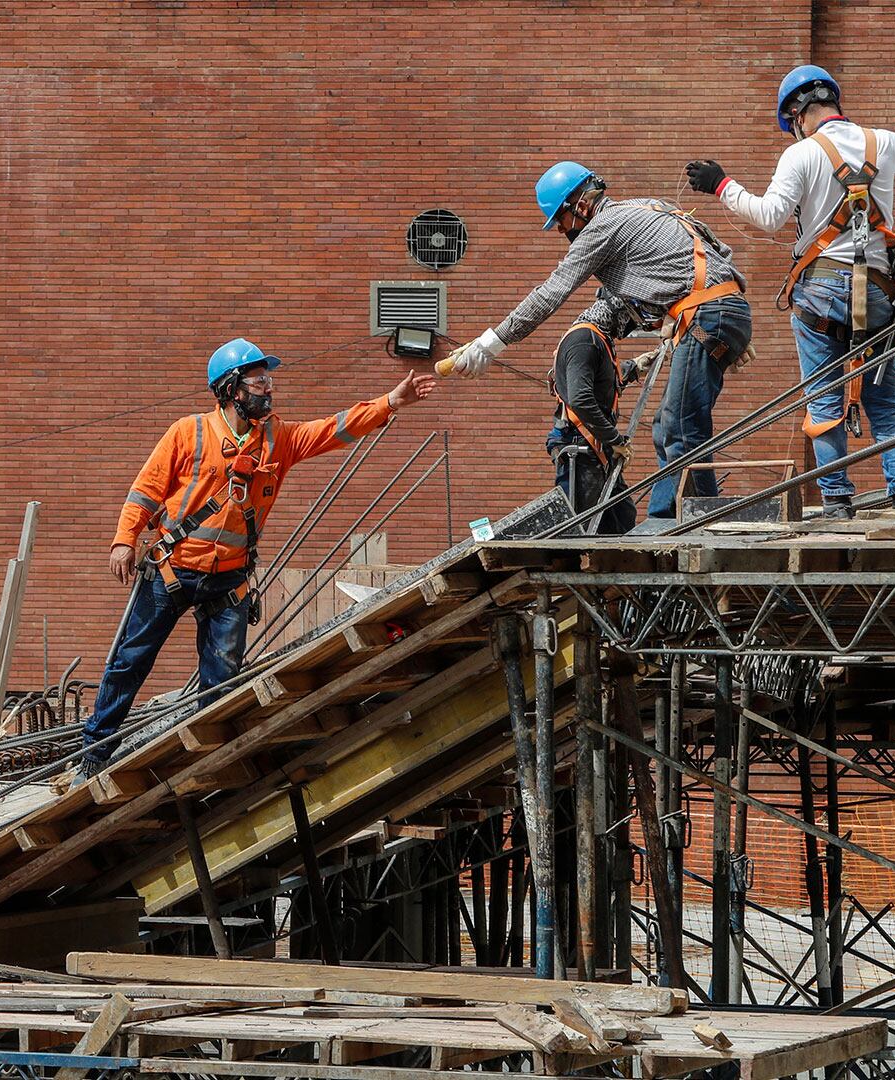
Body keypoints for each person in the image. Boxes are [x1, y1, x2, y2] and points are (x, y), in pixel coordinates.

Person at [80, 338, 436, 775]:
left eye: (268, 380)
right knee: (131, 660)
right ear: (231, 388)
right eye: (258, 381)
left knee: (222, 677)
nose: (268, 389)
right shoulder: (187, 432)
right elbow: (146, 491)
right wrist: (124, 539)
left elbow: (332, 429)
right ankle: (94, 754)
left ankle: (209, 763)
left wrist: (390, 403)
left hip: (229, 580)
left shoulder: (278, 438)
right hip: (171, 570)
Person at [685, 65, 895, 518]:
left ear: (798, 114)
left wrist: (721, 184)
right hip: (879, 291)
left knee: (824, 397)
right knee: (885, 401)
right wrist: (888, 159)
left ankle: (837, 502)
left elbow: (769, 215)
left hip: (821, 291)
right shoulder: (883, 141)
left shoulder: (801, 155)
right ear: (832, 101)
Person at [445, 162, 754, 519]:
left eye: (560, 221)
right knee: (667, 425)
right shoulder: (648, 206)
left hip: (706, 313)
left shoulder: (601, 228)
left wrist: (490, 343)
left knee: (682, 427)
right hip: (718, 311)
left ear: (579, 205)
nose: (562, 231)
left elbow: (552, 292)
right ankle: (665, 516)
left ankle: (704, 518)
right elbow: (715, 251)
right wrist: (731, 327)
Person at [547, 293, 648, 535]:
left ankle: (610, 568)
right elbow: (580, 399)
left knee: (620, 518)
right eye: (629, 321)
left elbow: (600, 381)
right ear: (617, 313)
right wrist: (615, 440)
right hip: (580, 449)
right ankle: (569, 569)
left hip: (597, 448)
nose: (629, 329)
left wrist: (634, 368)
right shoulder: (585, 340)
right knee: (579, 530)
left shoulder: (598, 339)